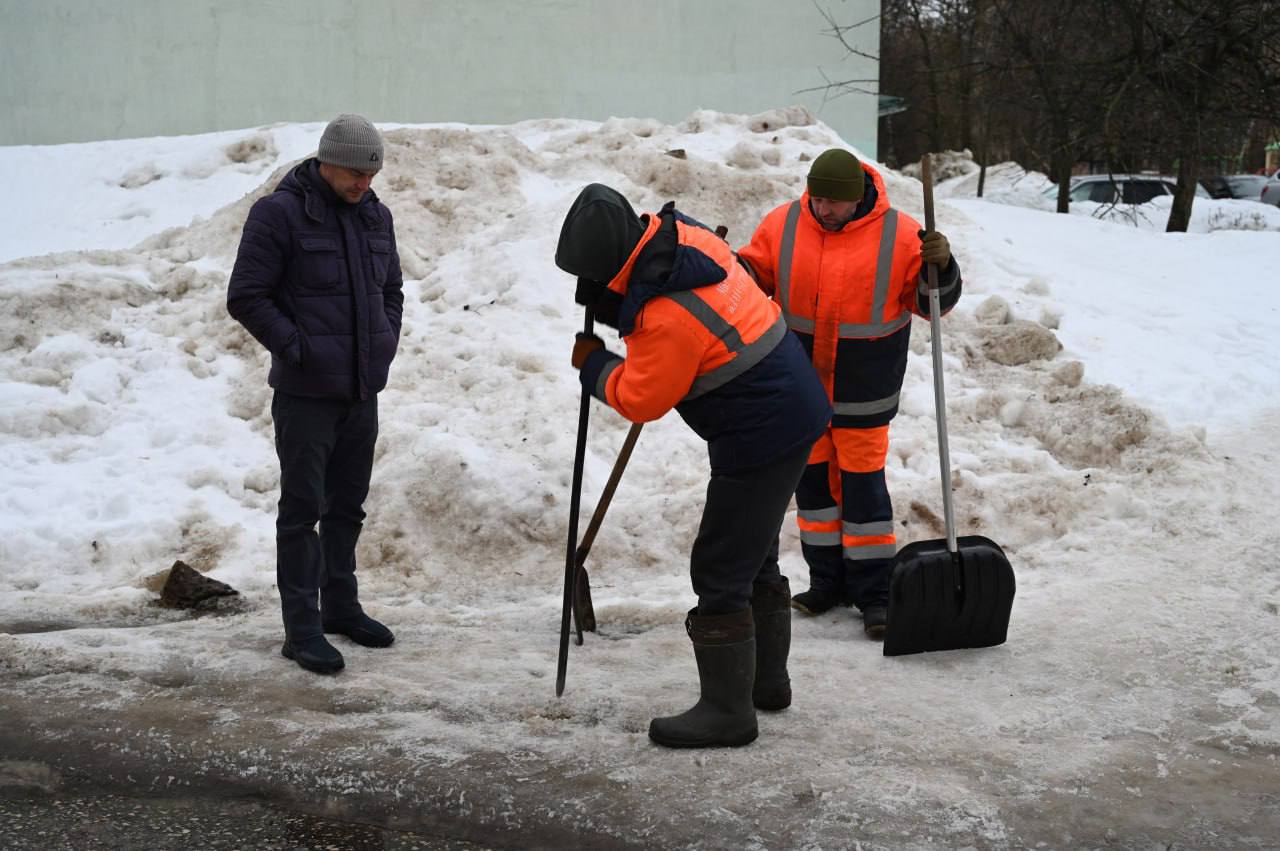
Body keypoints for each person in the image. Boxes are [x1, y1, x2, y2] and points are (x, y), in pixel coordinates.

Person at [557, 184, 831, 749]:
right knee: (752, 555)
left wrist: (594, 365)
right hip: (790, 403)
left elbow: (642, 398)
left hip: (761, 430)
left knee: (721, 568)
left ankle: (728, 713)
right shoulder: (686, 235)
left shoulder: (665, 316)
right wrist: (615, 301)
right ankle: (766, 684)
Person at [737, 148, 962, 640]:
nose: (823, 210)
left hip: (865, 390)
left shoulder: (901, 235)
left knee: (863, 491)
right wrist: (726, 268)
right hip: (800, 389)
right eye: (817, 199)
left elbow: (931, 305)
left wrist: (942, 269)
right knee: (814, 490)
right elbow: (753, 281)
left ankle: (875, 594)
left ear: (857, 197)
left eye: (833, 202)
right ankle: (827, 582)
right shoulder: (783, 225)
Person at [227, 114, 404, 674]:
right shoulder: (278, 214)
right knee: (302, 512)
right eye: (354, 173)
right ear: (327, 161)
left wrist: (384, 340)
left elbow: (392, 289)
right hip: (305, 395)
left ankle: (340, 608)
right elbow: (246, 295)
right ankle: (301, 629)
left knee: (347, 507)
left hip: (361, 390)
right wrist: (296, 348)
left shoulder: (375, 215)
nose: (363, 184)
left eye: (371, 175)